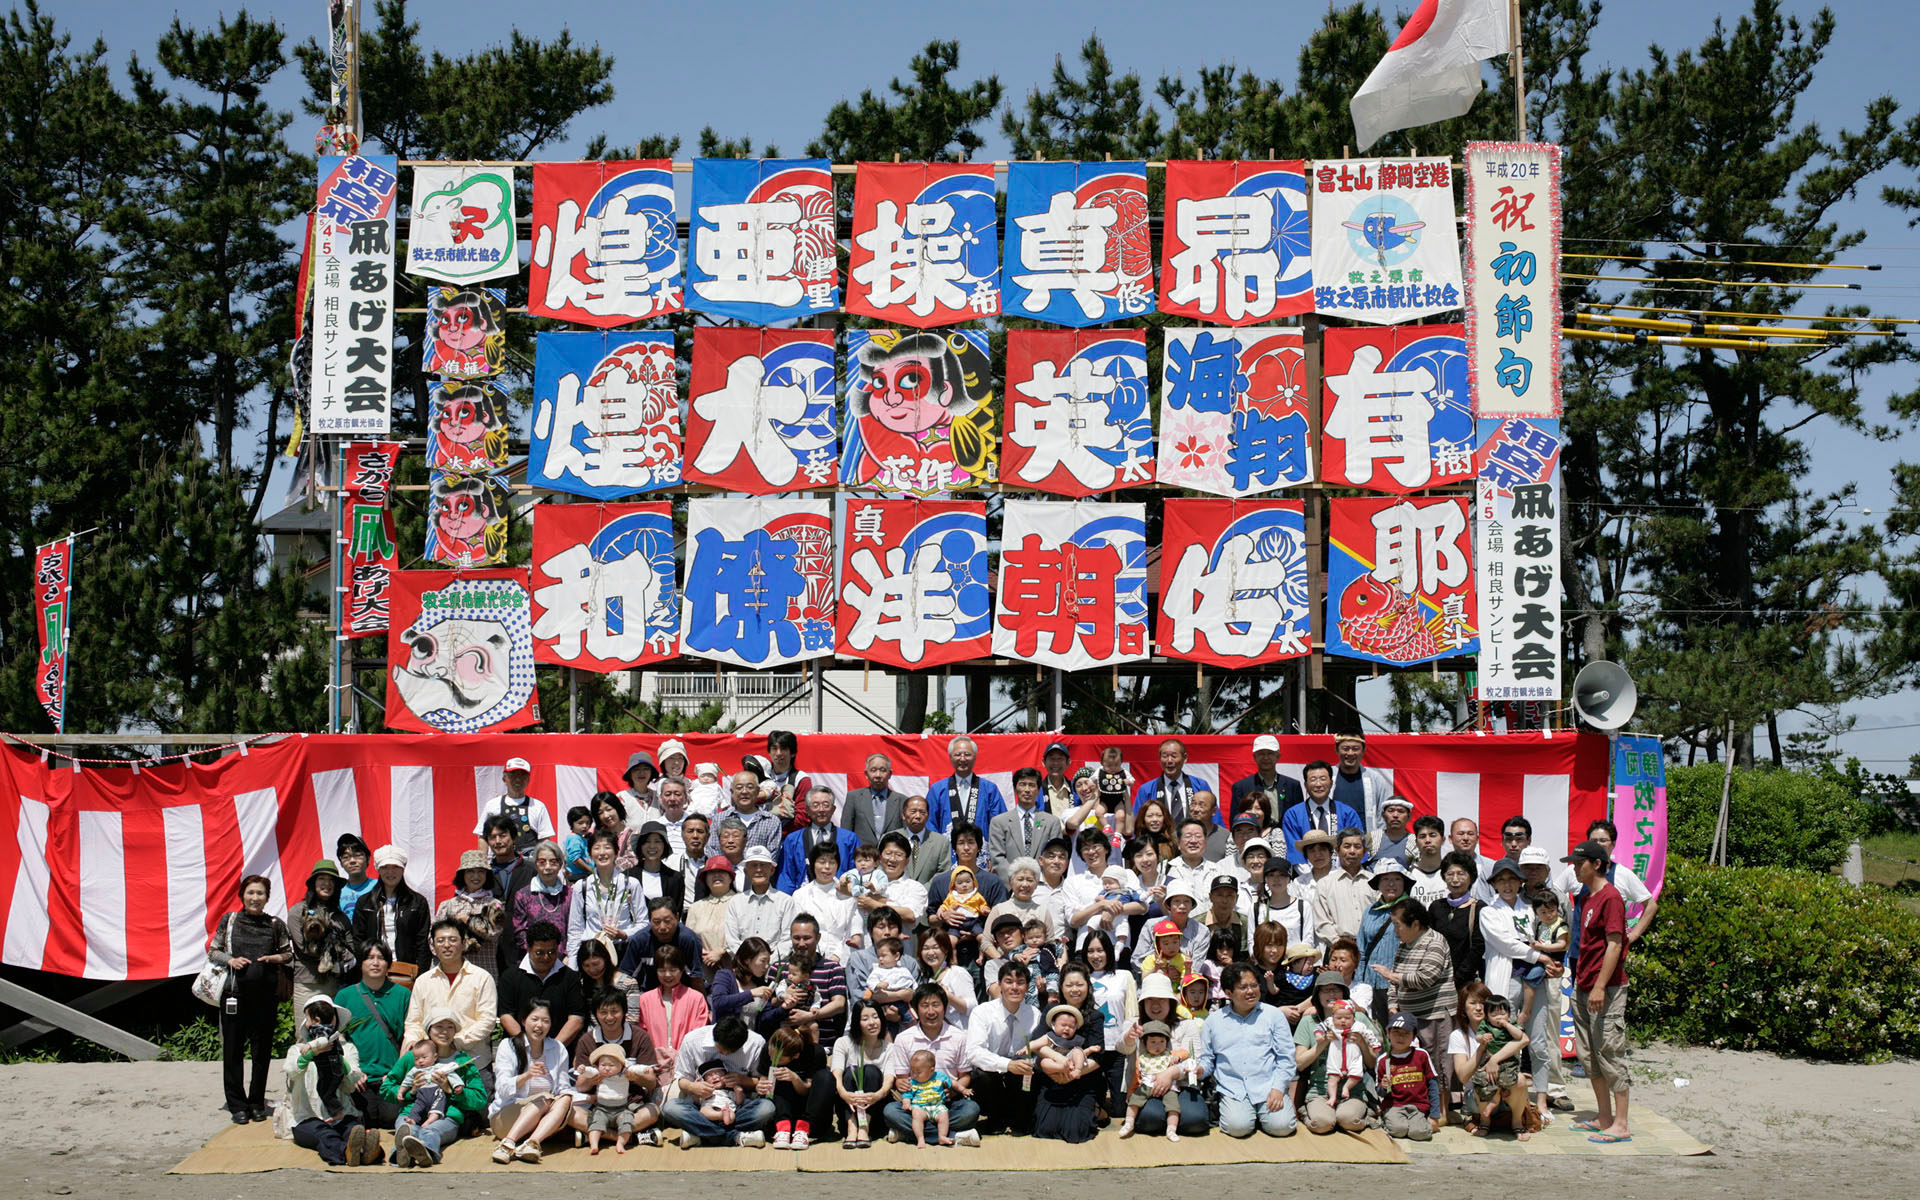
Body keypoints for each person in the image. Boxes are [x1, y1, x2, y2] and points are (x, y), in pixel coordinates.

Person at [208, 873, 293, 1124]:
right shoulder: (230, 920)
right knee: (233, 1050)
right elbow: (213, 950)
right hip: (234, 995)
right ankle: (237, 1104)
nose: (255, 897)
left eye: (260, 893)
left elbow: (288, 954)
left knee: (261, 1052)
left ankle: (256, 1103)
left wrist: (275, 958)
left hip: (265, 997)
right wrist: (231, 960)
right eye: (251, 892)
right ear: (242, 896)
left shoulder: (275, 924)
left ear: (267, 898)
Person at [1479, 857, 1559, 1121]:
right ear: (1493, 884)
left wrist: (1550, 960)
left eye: (1512, 879)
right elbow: (1506, 943)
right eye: (1501, 880)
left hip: (1535, 980)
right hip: (1505, 979)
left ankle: (1541, 1100)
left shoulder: (1531, 909)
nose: (1507, 885)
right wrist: (1538, 955)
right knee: (1504, 1041)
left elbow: (1547, 935)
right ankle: (1506, 1101)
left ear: (1520, 882)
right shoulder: (1488, 911)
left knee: (1538, 1041)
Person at [1565, 838, 1633, 1143]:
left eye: (1580, 863)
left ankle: (1621, 1123)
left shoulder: (1611, 897)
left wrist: (1600, 986)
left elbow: (1614, 944)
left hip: (1607, 987)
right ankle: (1604, 1116)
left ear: (1596, 864)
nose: (1575, 868)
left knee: (1609, 1051)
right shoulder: (1588, 897)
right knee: (1588, 1054)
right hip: (1583, 984)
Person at [1375, 899, 1456, 1117]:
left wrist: (1392, 976)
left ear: (1416, 924)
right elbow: (1395, 981)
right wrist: (1393, 1005)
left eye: (1398, 925)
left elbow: (1426, 977)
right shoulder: (1404, 945)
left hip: (1434, 1013)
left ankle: (1442, 1111)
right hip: (1408, 1016)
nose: (1395, 931)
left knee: (1436, 1061)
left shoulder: (1435, 941)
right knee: (1412, 1063)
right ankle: (1416, 1105)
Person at [1198, 961, 1297, 1138]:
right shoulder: (1213, 1022)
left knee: (1282, 1127)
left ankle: (1261, 1114)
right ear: (1228, 993)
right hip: (1233, 1089)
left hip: (1268, 1086)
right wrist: (1200, 1070)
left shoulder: (1274, 1015)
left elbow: (1286, 1057)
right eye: (1243, 987)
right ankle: (1246, 1113)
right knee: (1238, 1127)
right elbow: (1208, 1060)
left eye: (1254, 985)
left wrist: (1278, 1088)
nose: (1250, 991)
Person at [383, 1007, 485, 1167]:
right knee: (407, 1128)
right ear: (429, 1030)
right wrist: (411, 1092)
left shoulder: (463, 1062)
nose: (444, 1032)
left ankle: (425, 1152)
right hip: (411, 1112)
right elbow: (386, 1088)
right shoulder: (413, 1057)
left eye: (450, 1027)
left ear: (455, 1031)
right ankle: (402, 1155)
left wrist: (451, 1091)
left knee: (432, 1131)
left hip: (446, 1116)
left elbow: (480, 1098)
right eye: (439, 1027)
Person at [882, 984, 981, 1144]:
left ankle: (910, 1134)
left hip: (947, 1104)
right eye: (925, 1006)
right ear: (916, 1009)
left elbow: (965, 1076)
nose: (931, 1011)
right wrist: (901, 1084)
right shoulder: (903, 1038)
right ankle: (954, 1135)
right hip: (917, 1105)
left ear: (944, 1008)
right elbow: (901, 1078)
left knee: (971, 1110)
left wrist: (952, 1092)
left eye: (936, 1005)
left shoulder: (959, 1037)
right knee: (890, 1111)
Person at [284, 995, 372, 1165]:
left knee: (354, 1130)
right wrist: (310, 1054)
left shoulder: (347, 1048)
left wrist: (338, 1059)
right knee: (325, 1134)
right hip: (307, 1118)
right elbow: (293, 1072)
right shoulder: (297, 1049)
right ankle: (348, 1153)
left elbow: (351, 1083)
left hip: (342, 1114)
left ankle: (369, 1151)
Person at [569, 988, 663, 1145]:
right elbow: (580, 1087)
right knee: (571, 1114)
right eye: (603, 1012)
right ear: (595, 1014)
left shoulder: (640, 1036)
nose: (609, 1017)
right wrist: (592, 1080)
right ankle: (631, 1137)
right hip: (598, 1106)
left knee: (653, 1112)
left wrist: (637, 1078)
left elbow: (651, 1082)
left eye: (614, 1011)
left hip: (631, 1106)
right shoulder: (587, 1040)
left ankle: (596, 1134)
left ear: (624, 1011)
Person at [488, 998, 576, 1162]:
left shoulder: (558, 1048)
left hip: (542, 1119)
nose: (539, 1025)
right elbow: (502, 1088)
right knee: (544, 1098)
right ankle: (507, 1143)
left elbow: (563, 1087)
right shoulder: (508, 1046)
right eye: (534, 1019)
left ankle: (532, 1143)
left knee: (565, 1098)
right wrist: (526, 1076)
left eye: (545, 1021)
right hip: (506, 1116)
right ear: (523, 1021)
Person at [404, 918, 499, 1071]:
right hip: (431, 1066)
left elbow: (487, 1020)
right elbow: (414, 1022)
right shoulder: (423, 981)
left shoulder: (482, 978)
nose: (446, 945)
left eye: (453, 940)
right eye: (440, 941)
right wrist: (414, 1041)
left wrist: (454, 1042)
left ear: (464, 943)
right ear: (433, 946)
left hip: (473, 1063)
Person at [336, 941, 410, 1134]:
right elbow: (338, 1037)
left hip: (391, 1076)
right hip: (360, 1076)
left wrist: (397, 1072)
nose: (375, 963)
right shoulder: (345, 996)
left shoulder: (402, 994)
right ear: (360, 963)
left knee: (389, 1118)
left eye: (381, 958)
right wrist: (351, 1071)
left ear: (388, 964)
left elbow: (411, 1036)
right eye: (369, 958)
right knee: (364, 1118)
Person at [666, 1015, 773, 1148]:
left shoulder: (756, 1043)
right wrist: (693, 1087)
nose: (726, 1054)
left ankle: (703, 1135)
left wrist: (743, 1080)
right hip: (702, 1109)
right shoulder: (692, 1041)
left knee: (766, 1108)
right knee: (671, 1108)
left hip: (735, 1109)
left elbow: (761, 1082)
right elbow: (681, 1079)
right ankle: (735, 1137)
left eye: (732, 1051)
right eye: (721, 1050)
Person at [963, 958, 1042, 1135]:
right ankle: (995, 1118)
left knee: (1032, 1072)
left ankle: (1019, 1118)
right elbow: (974, 1052)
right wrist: (1007, 1065)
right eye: (1008, 981)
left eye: (1020, 982)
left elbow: (1038, 1051)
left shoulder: (1034, 1014)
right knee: (982, 1075)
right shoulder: (982, 1012)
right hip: (993, 1077)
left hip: (1020, 1078)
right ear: (999, 985)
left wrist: (1023, 1065)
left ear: (1027, 987)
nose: (1014, 987)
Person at [1293, 971, 1377, 1135]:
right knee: (1322, 1124)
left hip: (1353, 1090)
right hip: (1319, 1090)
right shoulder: (1309, 1022)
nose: (1331, 994)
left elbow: (1372, 1063)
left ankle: (1367, 1114)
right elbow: (1300, 1063)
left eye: (1336, 990)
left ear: (1344, 994)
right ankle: (1307, 1112)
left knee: (1348, 1120)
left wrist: (1362, 1043)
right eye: (1325, 990)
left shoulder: (1359, 1020)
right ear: (1317, 995)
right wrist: (1323, 1042)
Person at [1029, 967, 1107, 1143]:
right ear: (1061, 987)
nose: (1075, 989)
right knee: (1044, 1128)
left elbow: (1098, 1057)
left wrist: (1072, 1073)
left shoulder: (1095, 1017)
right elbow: (1037, 1044)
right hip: (1052, 1077)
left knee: (1076, 1131)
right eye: (1069, 985)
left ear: (1088, 986)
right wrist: (1059, 1065)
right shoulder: (1051, 1010)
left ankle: (1097, 1109)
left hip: (1082, 1078)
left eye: (1079, 984)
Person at [498, 922, 586, 1049]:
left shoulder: (570, 978)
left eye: (551, 952)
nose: (546, 958)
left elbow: (576, 1019)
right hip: (520, 1050)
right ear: (528, 948)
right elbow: (506, 1016)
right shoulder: (510, 977)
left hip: (559, 1051)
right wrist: (528, 1047)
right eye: (539, 953)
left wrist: (552, 1050)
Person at [288, 859, 356, 1018]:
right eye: (322, 879)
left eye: (331, 880)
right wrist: (337, 950)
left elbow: (350, 947)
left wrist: (343, 956)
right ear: (313, 883)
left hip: (334, 983)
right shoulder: (298, 912)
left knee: (333, 1029)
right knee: (306, 1029)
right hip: (307, 983)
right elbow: (304, 948)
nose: (327, 884)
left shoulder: (341, 917)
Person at [351, 845, 430, 974]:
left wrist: (421, 974)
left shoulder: (417, 902)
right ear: (378, 870)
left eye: (395, 867)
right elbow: (358, 940)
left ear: (403, 869)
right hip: (373, 970)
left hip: (406, 971)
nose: (390, 872)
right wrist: (363, 970)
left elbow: (422, 942)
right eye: (385, 867)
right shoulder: (365, 903)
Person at [567, 831, 645, 959]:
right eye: (597, 848)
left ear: (616, 852)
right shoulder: (581, 887)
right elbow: (575, 930)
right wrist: (573, 963)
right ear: (590, 854)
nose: (602, 852)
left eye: (607, 847)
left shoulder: (630, 884)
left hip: (623, 952)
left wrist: (624, 934)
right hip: (592, 955)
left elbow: (644, 923)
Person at [1466, 993, 1532, 1139]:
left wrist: (1507, 1025)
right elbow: (1478, 1037)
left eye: (1502, 1014)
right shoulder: (1486, 1026)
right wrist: (1483, 1039)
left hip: (1509, 1063)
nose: (1499, 1018)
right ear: (1487, 1016)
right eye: (1494, 1015)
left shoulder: (1511, 1025)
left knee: (1512, 1079)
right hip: (1488, 1064)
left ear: (1509, 1014)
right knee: (1482, 1078)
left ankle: (1517, 1122)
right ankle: (1488, 1115)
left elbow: (1520, 1037)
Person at [634, 943, 710, 1069]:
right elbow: (642, 1034)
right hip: (654, 1064)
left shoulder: (696, 999)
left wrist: (680, 1057)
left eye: (673, 970)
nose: (668, 975)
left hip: (686, 1065)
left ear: (682, 970)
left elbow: (698, 1034)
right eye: (662, 970)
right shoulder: (645, 1000)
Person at [436, 849, 508, 980]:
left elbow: (493, 933)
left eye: (481, 872)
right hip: (451, 973)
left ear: (487, 875)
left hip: (484, 972)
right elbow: (433, 939)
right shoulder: (448, 905)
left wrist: (467, 919)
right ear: (462, 875)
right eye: (470, 871)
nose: (476, 876)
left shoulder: (495, 905)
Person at [761, 1023, 833, 1148]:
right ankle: (783, 1129)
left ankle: (803, 1130)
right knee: (780, 1075)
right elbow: (763, 1080)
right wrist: (761, 1086)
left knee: (826, 1076)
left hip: (809, 1114)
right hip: (780, 1112)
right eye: (770, 1055)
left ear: (795, 1055)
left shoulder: (815, 1052)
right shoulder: (768, 1049)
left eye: (779, 1059)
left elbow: (808, 1090)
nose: (773, 1060)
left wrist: (795, 1078)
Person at [988, 767, 1064, 882]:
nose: (1027, 790)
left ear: (1038, 790)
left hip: (1043, 884)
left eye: (1032, 785)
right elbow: (997, 858)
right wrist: (1016, 881)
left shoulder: (1052, 822)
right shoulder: (999, 822)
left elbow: (1055, 856)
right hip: (1010, 885)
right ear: (1015, 788)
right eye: (1022, 784)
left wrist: (1040, 882)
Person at [1280, 763, 1364, 866]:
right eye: (1313, 779)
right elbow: (1295, 853)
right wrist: (1311, 874)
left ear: (1331, 783)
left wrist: (1338, 873)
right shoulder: (1293, 815)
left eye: (1323, 779)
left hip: (1343, 872)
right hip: (1306, 874)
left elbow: (1356, 848)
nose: (1318, 784)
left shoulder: (1347, 813)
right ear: (1305, 785)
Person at [780, 787, 861, 893]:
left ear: (833, 809)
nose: (821, 809)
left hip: (839, 896)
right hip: (804, 897)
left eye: (826, 805)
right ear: (807, 810)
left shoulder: (850, 839)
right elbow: (786, 876)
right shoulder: (793, 840)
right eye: (815, 805)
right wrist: (788, 900)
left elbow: (856, 873)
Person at [1375, 1010, 1441, 1141]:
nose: (1401, 1037)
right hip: (1394, 1106)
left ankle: (1420, 1124)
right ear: (1388, 1033)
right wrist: (1384, 1086)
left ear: (1414, 1036)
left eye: (1406, 1033)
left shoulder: (1421, 1055)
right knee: (1398, 1130)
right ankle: (1389, 1121)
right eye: (1396, 1032)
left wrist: (1434, 1115)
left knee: (1419, 1133)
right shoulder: (1384, 1060)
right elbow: (1380, 1091)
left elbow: (1432, 1084)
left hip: (1418, 1106)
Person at [1427, 850, 1486, 988]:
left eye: (1461, 874)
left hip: (1466, 983)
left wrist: (1456, 978)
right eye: (1450, 874)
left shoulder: (1480, 908)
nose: (1455, 879)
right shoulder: (1436, 907)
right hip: (1437, 979)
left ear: (1471, 877)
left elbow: (1478, 948)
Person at [926, 735, 1007, 836]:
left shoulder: (990, 789)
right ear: (950, 757)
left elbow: (1000, 823)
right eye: (958, 754)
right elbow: (930, 823)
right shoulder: (937, 789)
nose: (963, 759)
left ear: (975, 757)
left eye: (967, 754)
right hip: (946, 845)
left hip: (982, 845)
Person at [726, 845, 795, 957]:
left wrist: (767, 961)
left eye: (763, 865)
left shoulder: (786, 902)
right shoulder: (736, 902)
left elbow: (787, 940)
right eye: (754, 865)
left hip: (775, 964)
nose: (758, 870)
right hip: (744, 964)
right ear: (746, 871)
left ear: (772, 870)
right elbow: (732, 941)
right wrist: (749, 961)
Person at [473, 755, 554, 851]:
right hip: (498, 858)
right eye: (513, 775)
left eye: (522, 775)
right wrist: (483, 859)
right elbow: (483, 837)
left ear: (528, 780)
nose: (518, 779)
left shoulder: (538, 806)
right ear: (504, 779)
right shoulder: (492, 805)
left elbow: (545, 839)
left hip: (530, 859)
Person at [927, 824, 1010, 915]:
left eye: (971, 842)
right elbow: (931, 917)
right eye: (961, 843)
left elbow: (1002, 916)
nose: (966, 848)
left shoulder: (993, 882)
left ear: (979, 848)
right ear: (955, 848)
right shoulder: (939, 882)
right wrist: (943, 916)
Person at [1312, 827, 1375, 945]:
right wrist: (1341, 945)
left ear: (1364, 852)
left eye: (1357, 846)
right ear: (1337, 851)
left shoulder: (1375, 882)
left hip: (1371, 946)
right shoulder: (1325, 884)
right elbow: (1322, 923)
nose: (1352, 851)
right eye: (1347, 846)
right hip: (1339, 948)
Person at [510, 842, 573, 959]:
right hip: (534, 959)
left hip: (564, 959)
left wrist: (568, 955)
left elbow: (575, 929)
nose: (548, 867)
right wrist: (536, 954)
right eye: (542, 862)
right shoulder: (523, 895)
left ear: (560, 865)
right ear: (535, 864)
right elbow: (520, 931)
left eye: (553, 862)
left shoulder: (570, 894)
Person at [1231, 734, 1304, 827]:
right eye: (1261, 753)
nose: (1266, 758)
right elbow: (1235, 822)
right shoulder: (1241, 787)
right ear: (1254, 757)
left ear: (1278, 756)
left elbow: (1300, 819)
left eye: (1270, 753)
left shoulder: (1293, 786)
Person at [1320, 999, 1378, 1110]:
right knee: (1332, 1078)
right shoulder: (1331, 1024)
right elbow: (1320, 1027)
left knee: (1356, 1075)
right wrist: (1319, 1035)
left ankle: (1346, 1087)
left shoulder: (1358, 1026)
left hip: (1353, 1058)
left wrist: (1375, 1045)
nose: (1343, 1021)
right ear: (1333, 1017)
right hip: (1336, 1058)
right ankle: (1332, 1097)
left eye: (1347, 1018)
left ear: (1353, 1018)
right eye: (1339, 1018)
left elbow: (1369, 1035)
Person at [582, 1043, 640, 1154]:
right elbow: (590, 1072)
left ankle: (620, 1143)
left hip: (621, 1110)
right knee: (595, 1125)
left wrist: (644, 1070)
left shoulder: (625, 1074)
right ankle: (594, 1145)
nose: (607, 1068)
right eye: (603, 1065)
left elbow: (637, 1069)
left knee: (627, 1124)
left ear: (621, 1065)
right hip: (602, 1109)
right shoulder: (598, 1073)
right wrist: (584, 1070)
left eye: (612, 1065)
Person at [710, 936, 779, 1028]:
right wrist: (751, 993)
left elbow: (765, 1017)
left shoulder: (760, 984)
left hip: (751, 1036)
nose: (766, 966)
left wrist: (784, 1007)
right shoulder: (725, 975)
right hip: (726, 1035)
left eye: (768, 962)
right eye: (763, 961)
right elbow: (719, 1002)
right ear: (747, 960)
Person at [1331, 733, 1393, 834]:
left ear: (1364, 750)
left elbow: (1383, 813)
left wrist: (1378, 838)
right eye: (1345, 748)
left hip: (1366, 838)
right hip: (1333, 838)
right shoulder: (1328, 776)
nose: (1350, 753)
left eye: (1355, 749)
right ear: (1336, 750)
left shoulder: (1375, 779)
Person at [841, 753, 906, 844]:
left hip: (890, 852)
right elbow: (846, 832)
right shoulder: (853, 797)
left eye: (883, 770)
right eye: (873, 770)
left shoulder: (902, 800)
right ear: (866, 774)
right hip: (862, 852)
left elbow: (906, 834)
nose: (878, 775)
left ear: (890, 774)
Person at [917, 931, 976, 1029]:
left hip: (960, 1033)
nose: (930, 953)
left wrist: (949, 997)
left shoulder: (957, 973)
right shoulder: (926, 978)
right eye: (925, 948)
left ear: (946, 950)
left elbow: (973, 1008)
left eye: (936, 947)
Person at [686, 856, 735, 970]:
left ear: (731, 878)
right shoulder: (695, 907)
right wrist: (701, 952)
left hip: (734, 968)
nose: (716, 875)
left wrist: (723, 951)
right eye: (711, 873)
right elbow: (689, 938)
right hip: (704, 968)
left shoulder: (741, 902)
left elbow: (745, 935)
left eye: (721, 871)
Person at [627, 822, 685, 918]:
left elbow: (676, 911)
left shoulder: (675, 878)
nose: (652, 846)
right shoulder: (628, 876)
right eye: (647, 841)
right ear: (641, 845)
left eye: (657, 841)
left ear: (664, 845)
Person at [861, 937, 918, 1031]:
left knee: (912, 1020)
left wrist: (915, 991)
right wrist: (878, 985)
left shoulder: (904, 970)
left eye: (883, 956)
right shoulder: (878, 970)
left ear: (896, 956)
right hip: (886, 1003)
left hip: (903, 1002)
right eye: (878, 956)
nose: (880, 959)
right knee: (888, 1027)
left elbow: (912, 982)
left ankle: (913, 1035)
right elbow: (871, 981)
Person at [480, 814, 537, 905]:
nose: (498, 841)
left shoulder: (532, 870)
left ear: (514, 838)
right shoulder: (484, 873)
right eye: (492, 837)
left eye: (503, 836)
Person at [899, 795, 952, 885]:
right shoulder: (890, 838)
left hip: (929, 892)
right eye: (913, 811)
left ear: (928, 816)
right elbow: (883, 868)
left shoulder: (941, 842)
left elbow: (943, 873)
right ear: (903, 815)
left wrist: (922, 890)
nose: (918, 816)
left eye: (922, 812)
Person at [1406, 816, 1451, 905]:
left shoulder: (1452, 873)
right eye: (1422, 836)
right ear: (1416, 842)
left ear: (1443, 840)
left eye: (1433, 835)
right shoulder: (1408, 875)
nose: (1427, 840)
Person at [335, 835, 377, 921]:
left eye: (357, 855)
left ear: (368, 859)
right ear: (341, 863)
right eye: (346, 857)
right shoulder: (337, 890)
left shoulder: (379, 886)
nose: (352, 861)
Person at [615, 750, 659, 822]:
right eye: (636, 769)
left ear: (651, 773)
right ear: (630, 774)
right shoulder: (622, 798)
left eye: (646, 769)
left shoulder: (659, 797)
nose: (641, 772)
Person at [1372, 796, 1416, 861]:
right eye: (1391, 811)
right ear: (1383, 815)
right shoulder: (1372, 838)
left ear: (1409, 816)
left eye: (1401, 811)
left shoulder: (1415, 841)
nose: (1395, 815)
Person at [1040, 741, 1077, 816]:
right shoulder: (1037, 790)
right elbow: (1033, 818)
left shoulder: (1076, 788)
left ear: (1068, 762)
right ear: (1044, 763)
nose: (1055, 763)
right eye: (1052, 759)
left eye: (1060, 759)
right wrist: (1039, 823)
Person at [562, 806, 595, 880]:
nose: (585, 826)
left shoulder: (580, 838)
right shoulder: (574, 838)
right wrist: (591, 870)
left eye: (587, 823)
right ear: (572, 823)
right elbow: (575, 859)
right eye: (580, 823)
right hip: (579, 876)